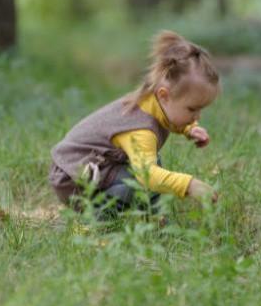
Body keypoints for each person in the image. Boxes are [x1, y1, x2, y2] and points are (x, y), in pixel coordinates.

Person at [49, 30, 220, 218]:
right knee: (142, 180)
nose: (198, 116)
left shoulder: (154, 100)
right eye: (192, 109)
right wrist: (189, 185)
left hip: (97, 165)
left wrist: (189, 129)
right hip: (73, 179)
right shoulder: (141, 130)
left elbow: (168, 117)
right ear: (164, 95)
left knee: (152, 164)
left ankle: (152, 214)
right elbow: (148, 175)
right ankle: (93, 221)